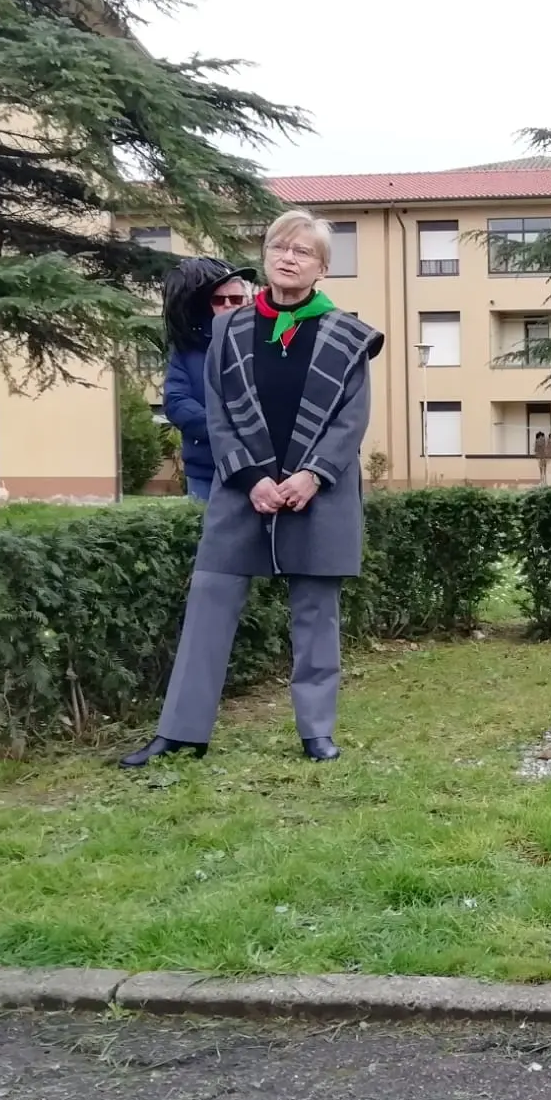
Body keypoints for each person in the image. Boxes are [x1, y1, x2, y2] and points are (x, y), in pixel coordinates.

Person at [119, 210, 385, 767]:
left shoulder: (349, 336)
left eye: (303, 252)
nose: (289, 258)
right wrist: (252, 479)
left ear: (322, 269)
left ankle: (317, 732)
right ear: (266, 256)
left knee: (316, 614)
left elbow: (350, 421)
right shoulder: (228, 329)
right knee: (209, 602)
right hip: (242, 488)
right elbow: (218, 415)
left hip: (321, 491)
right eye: (279, 247)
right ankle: (182, 731)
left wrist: (312, 476)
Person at [160, 257, 255, 502]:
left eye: (236, 299)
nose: (228, 305)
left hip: (258, 471)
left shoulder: (263, 343)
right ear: (207, 305)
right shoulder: (187, 351)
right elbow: (176, 402)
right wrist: (222, 429)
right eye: (219, 300)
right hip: (205, 473)